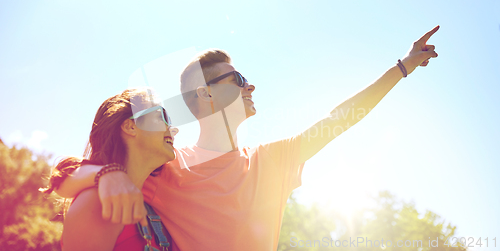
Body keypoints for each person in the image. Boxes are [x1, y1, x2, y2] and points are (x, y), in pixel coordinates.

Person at [54, 26, 440, 250]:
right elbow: (72, 179)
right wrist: (110, 173)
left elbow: (340, 119)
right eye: (237, 79)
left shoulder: (273, 162)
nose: (250, 84)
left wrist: (403, 67)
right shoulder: (169, 165)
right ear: (203, 96)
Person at [43, 88, 177, 251]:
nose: (172, 128)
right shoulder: (97, 202)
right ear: (130, 126)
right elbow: (62, 173)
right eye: (161, 116)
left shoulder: (152, 208)